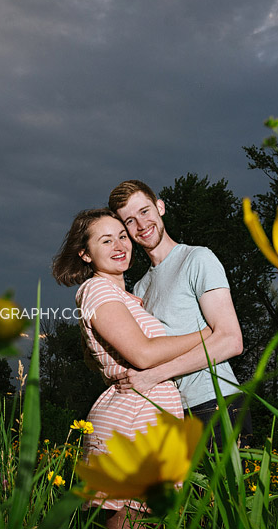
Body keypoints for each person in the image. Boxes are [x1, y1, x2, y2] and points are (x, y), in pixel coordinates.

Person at [52, 208, 210, 529]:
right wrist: (210, 333)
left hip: (149, 414)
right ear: (85, 254)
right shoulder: (97, 290)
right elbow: (142, 353)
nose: (119, 245)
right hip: (132, 417)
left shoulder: (125, 297)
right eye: (106, 240)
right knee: (129, 521)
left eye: (122, 236)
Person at [108, 180, 250, 448]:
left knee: (223, 492)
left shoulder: (197, 259)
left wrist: (155, 375)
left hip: (214, 402)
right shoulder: (140, 287)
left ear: (160, 207)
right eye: (129, 220)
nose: (141, 225)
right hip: (171, 410)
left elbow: (232, 340)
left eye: (145, 211)